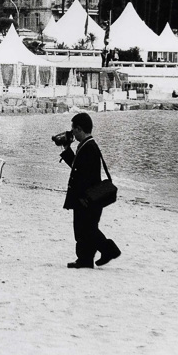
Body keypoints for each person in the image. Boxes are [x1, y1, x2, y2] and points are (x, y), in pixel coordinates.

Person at [59, 112, 120, 269]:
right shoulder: (87, 145)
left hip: (88, 198)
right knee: (83, 229)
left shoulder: (89, 147)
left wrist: (81, 197)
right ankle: (85, 259)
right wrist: (67, 149)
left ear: (79, 129)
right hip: (88, 197)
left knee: (86, 229)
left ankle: (109, 250)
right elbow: (78, 168)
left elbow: (84, 176)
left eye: (73, 130)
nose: (72, 133)